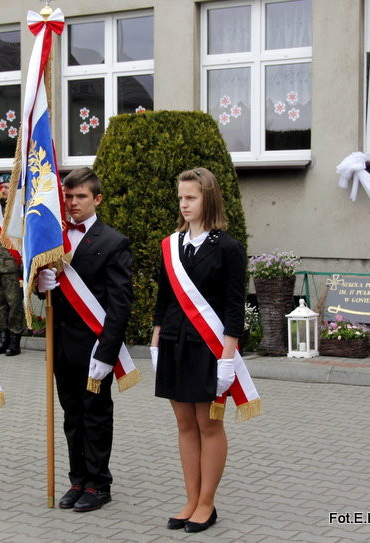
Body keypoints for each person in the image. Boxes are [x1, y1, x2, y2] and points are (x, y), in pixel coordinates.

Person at [150, 167, 246, 533]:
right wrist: (157, 336)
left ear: (208, 198)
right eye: (180, 198)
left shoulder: (228, 248)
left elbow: (235, 306)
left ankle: (207, 502)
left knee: (209, 424)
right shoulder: (171, 245)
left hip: (209, 347)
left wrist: (228, 355)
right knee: (184, 424)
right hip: (175, 343)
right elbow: (164, 297)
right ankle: (190, 498)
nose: (184, 204)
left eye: (191, 197)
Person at [36, 167, 133, 513]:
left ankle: (98, 483)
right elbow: (44, 285)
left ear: (97, 199)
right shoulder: (54, 238)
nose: (73, 203)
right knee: (71, 415)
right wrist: (39, 284)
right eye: (68, 196)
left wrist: (107, 353)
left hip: (94, 347)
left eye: (80, 197)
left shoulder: (113, 241)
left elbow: (120, 305)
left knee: (95, 414)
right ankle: (77, 479)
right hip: (62, 346)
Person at [0, 174, 24, 356]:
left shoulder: (19, 211)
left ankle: (15, 340)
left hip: (11, 263)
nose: (3, 190)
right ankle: (3, 337)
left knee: (14, 302)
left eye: (7, 187)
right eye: (1, 187)